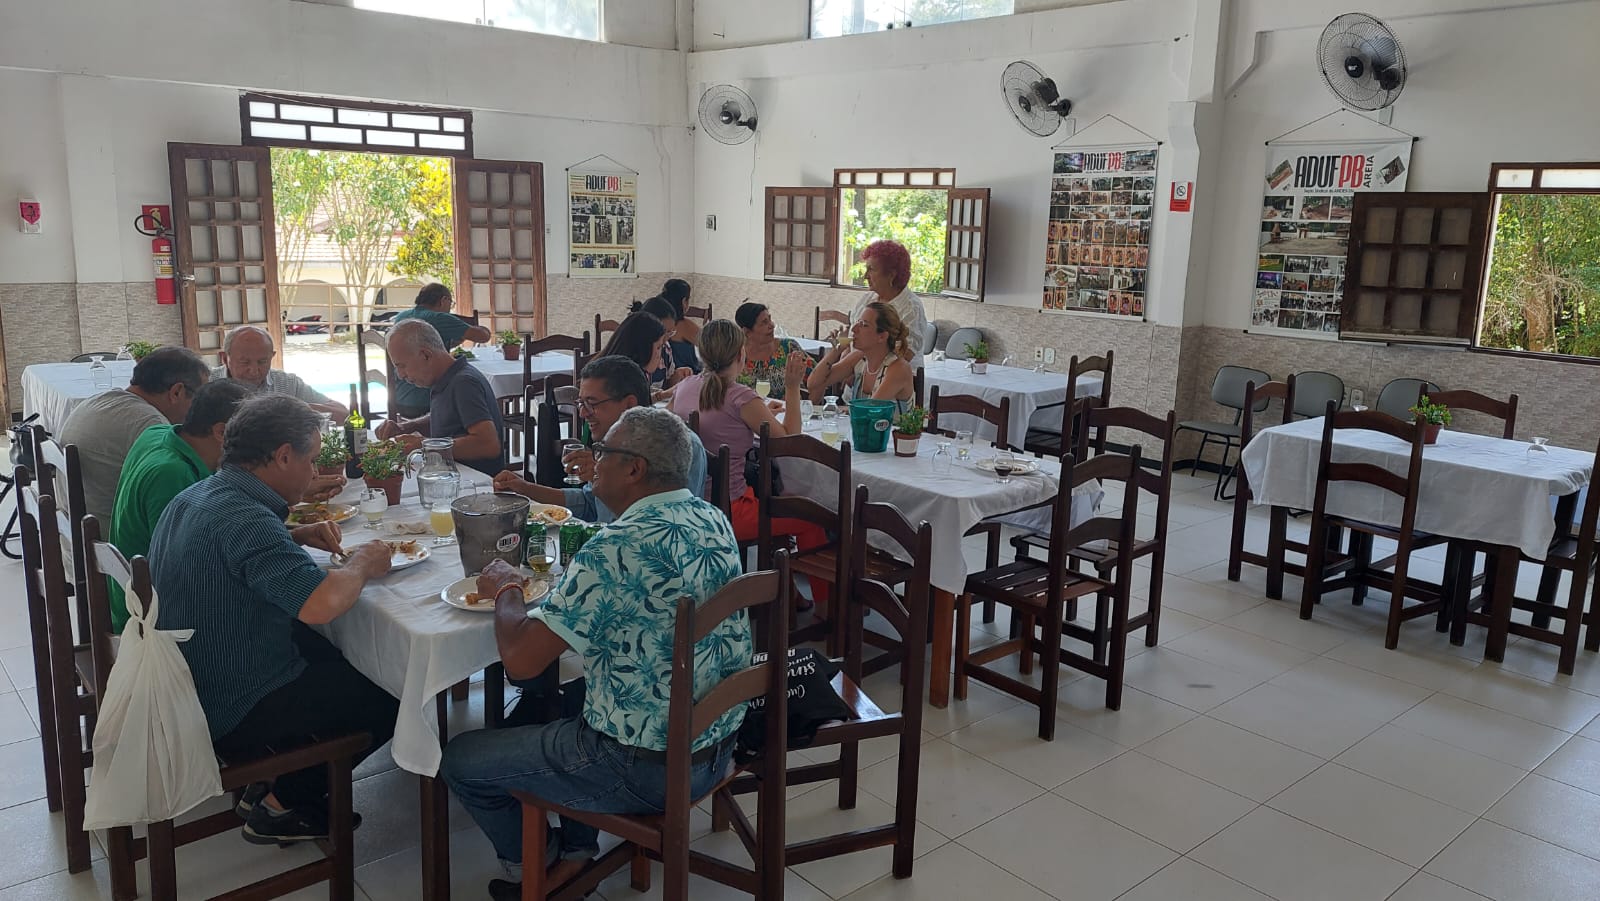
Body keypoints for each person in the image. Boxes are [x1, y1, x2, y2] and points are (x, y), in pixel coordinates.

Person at [442, 408, 747, 900]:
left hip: (645, 767)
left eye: (603, 451)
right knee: (568, 698)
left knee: (460, 758)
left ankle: (537, 864)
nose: (592, 460)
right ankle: (577, 850)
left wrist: (507, 587)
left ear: (635, 469)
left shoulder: (616, 545)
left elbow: (521, 662)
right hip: (718, 742)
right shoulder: (710, 517)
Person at [149, 395, 398, 844]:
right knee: (391, 690)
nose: (314, 471)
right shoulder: (246, 519)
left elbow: (233, 552)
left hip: (186, 674)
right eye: (311, 459)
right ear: (283, 456)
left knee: (338, 653)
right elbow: (321, 605)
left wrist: (292, 535)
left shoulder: (201, 494)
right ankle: (283, 804)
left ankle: (274, 779)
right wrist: (363, 562)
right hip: (229, 701)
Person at [669, 320, 828, 608]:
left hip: (694, 503)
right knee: (811, 516)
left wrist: (762, 412)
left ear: (700, 354)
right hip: (730, 510)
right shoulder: (740, 397)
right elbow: (789, 441)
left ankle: (788, 596)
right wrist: (793, 387)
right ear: (741, 354)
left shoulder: (685, 388)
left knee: (781, 499)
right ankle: (826, 608)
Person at [107, 379, 252, 633]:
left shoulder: (158, 434)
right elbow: (189, 571)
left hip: (134, 594)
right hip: (151, 620)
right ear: (221, 432)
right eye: (255, 438)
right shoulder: (172, 474)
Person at [493, 356, 708, 523]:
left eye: (591, 403)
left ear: (629, 404)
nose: (582, 413)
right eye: (581, 403)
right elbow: (588, 504)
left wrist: (606, 476)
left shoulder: (679, 446)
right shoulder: (610, 444)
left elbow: (663, 526)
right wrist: (524, 488)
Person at [58, 346, 210, 525]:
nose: (201, 409)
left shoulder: (96, 400)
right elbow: (177, 496)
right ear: (177, 392)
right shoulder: (151, 425)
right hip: (108, 535)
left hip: (74, 526)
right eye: (200, 398)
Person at [375, 319, 505, 476]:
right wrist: (407, 427)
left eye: (402, 366)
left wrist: (425, 445)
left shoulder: (463, 383)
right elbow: (449, 416)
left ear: (426, 355)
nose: (401, 375)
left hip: (475, 481)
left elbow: (488, 445)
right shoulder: (446, 377)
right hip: (450, 474)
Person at [389, 283, 494, 417]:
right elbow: (483, 336)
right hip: (425, 399)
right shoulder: (439, 318)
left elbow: (430, 345)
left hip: (399, 396)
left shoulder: (402, 317)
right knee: (473, 401)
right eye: (451, 303)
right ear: (444, 300)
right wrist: (462, 325)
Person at [212, 325, 348, 418]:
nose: (254, 371)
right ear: (224, 358)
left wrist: (294, 408)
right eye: (245, 362)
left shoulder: (288, 383)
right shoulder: (208, 382)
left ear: (272, 356)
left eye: (262, 362)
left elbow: (342, 414)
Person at [808, 301, 916, 415]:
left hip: (890, 427)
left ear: (882, 336)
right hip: (861, 425)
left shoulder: (899, 368)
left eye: (864, 325)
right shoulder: (859, 358)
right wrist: (837, 349)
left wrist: (840, 409)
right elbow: (813, 383)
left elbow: (869, 410)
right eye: (858, 322)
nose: (854, 329)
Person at [847, 239, 929, 367]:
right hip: (858, 374)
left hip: (893, 377)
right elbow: (852, 340)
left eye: (871, 269)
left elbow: (904, 355)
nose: (866, 276)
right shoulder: (868, 299)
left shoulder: (911, 307)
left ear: (891, 275)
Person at [600, 311, 688, 400]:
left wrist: (664, 394)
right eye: (658, 347)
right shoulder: (621, 381)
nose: (659, 355)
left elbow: (644, 397)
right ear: (643, 348)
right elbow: (637, 403)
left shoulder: (634, 371)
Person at [734, 302, 814, 397]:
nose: (772, 325)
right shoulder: (735, 356)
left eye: (770, 319)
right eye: (764, 322)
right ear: (747, 332)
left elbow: (815, 378)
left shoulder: (789, 347)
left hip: (788, 406)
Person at [631, 296, 700, 374]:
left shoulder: (666, 349)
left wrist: (677, 375)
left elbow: (668, 377)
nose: (666, 338)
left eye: (670, 332)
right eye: (663, 332)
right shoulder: (635, 355)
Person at [659, 278, 702, 359]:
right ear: (684, 301)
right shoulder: (684, 325)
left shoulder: (657, 321)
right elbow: (711, 345)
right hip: (687, 367)